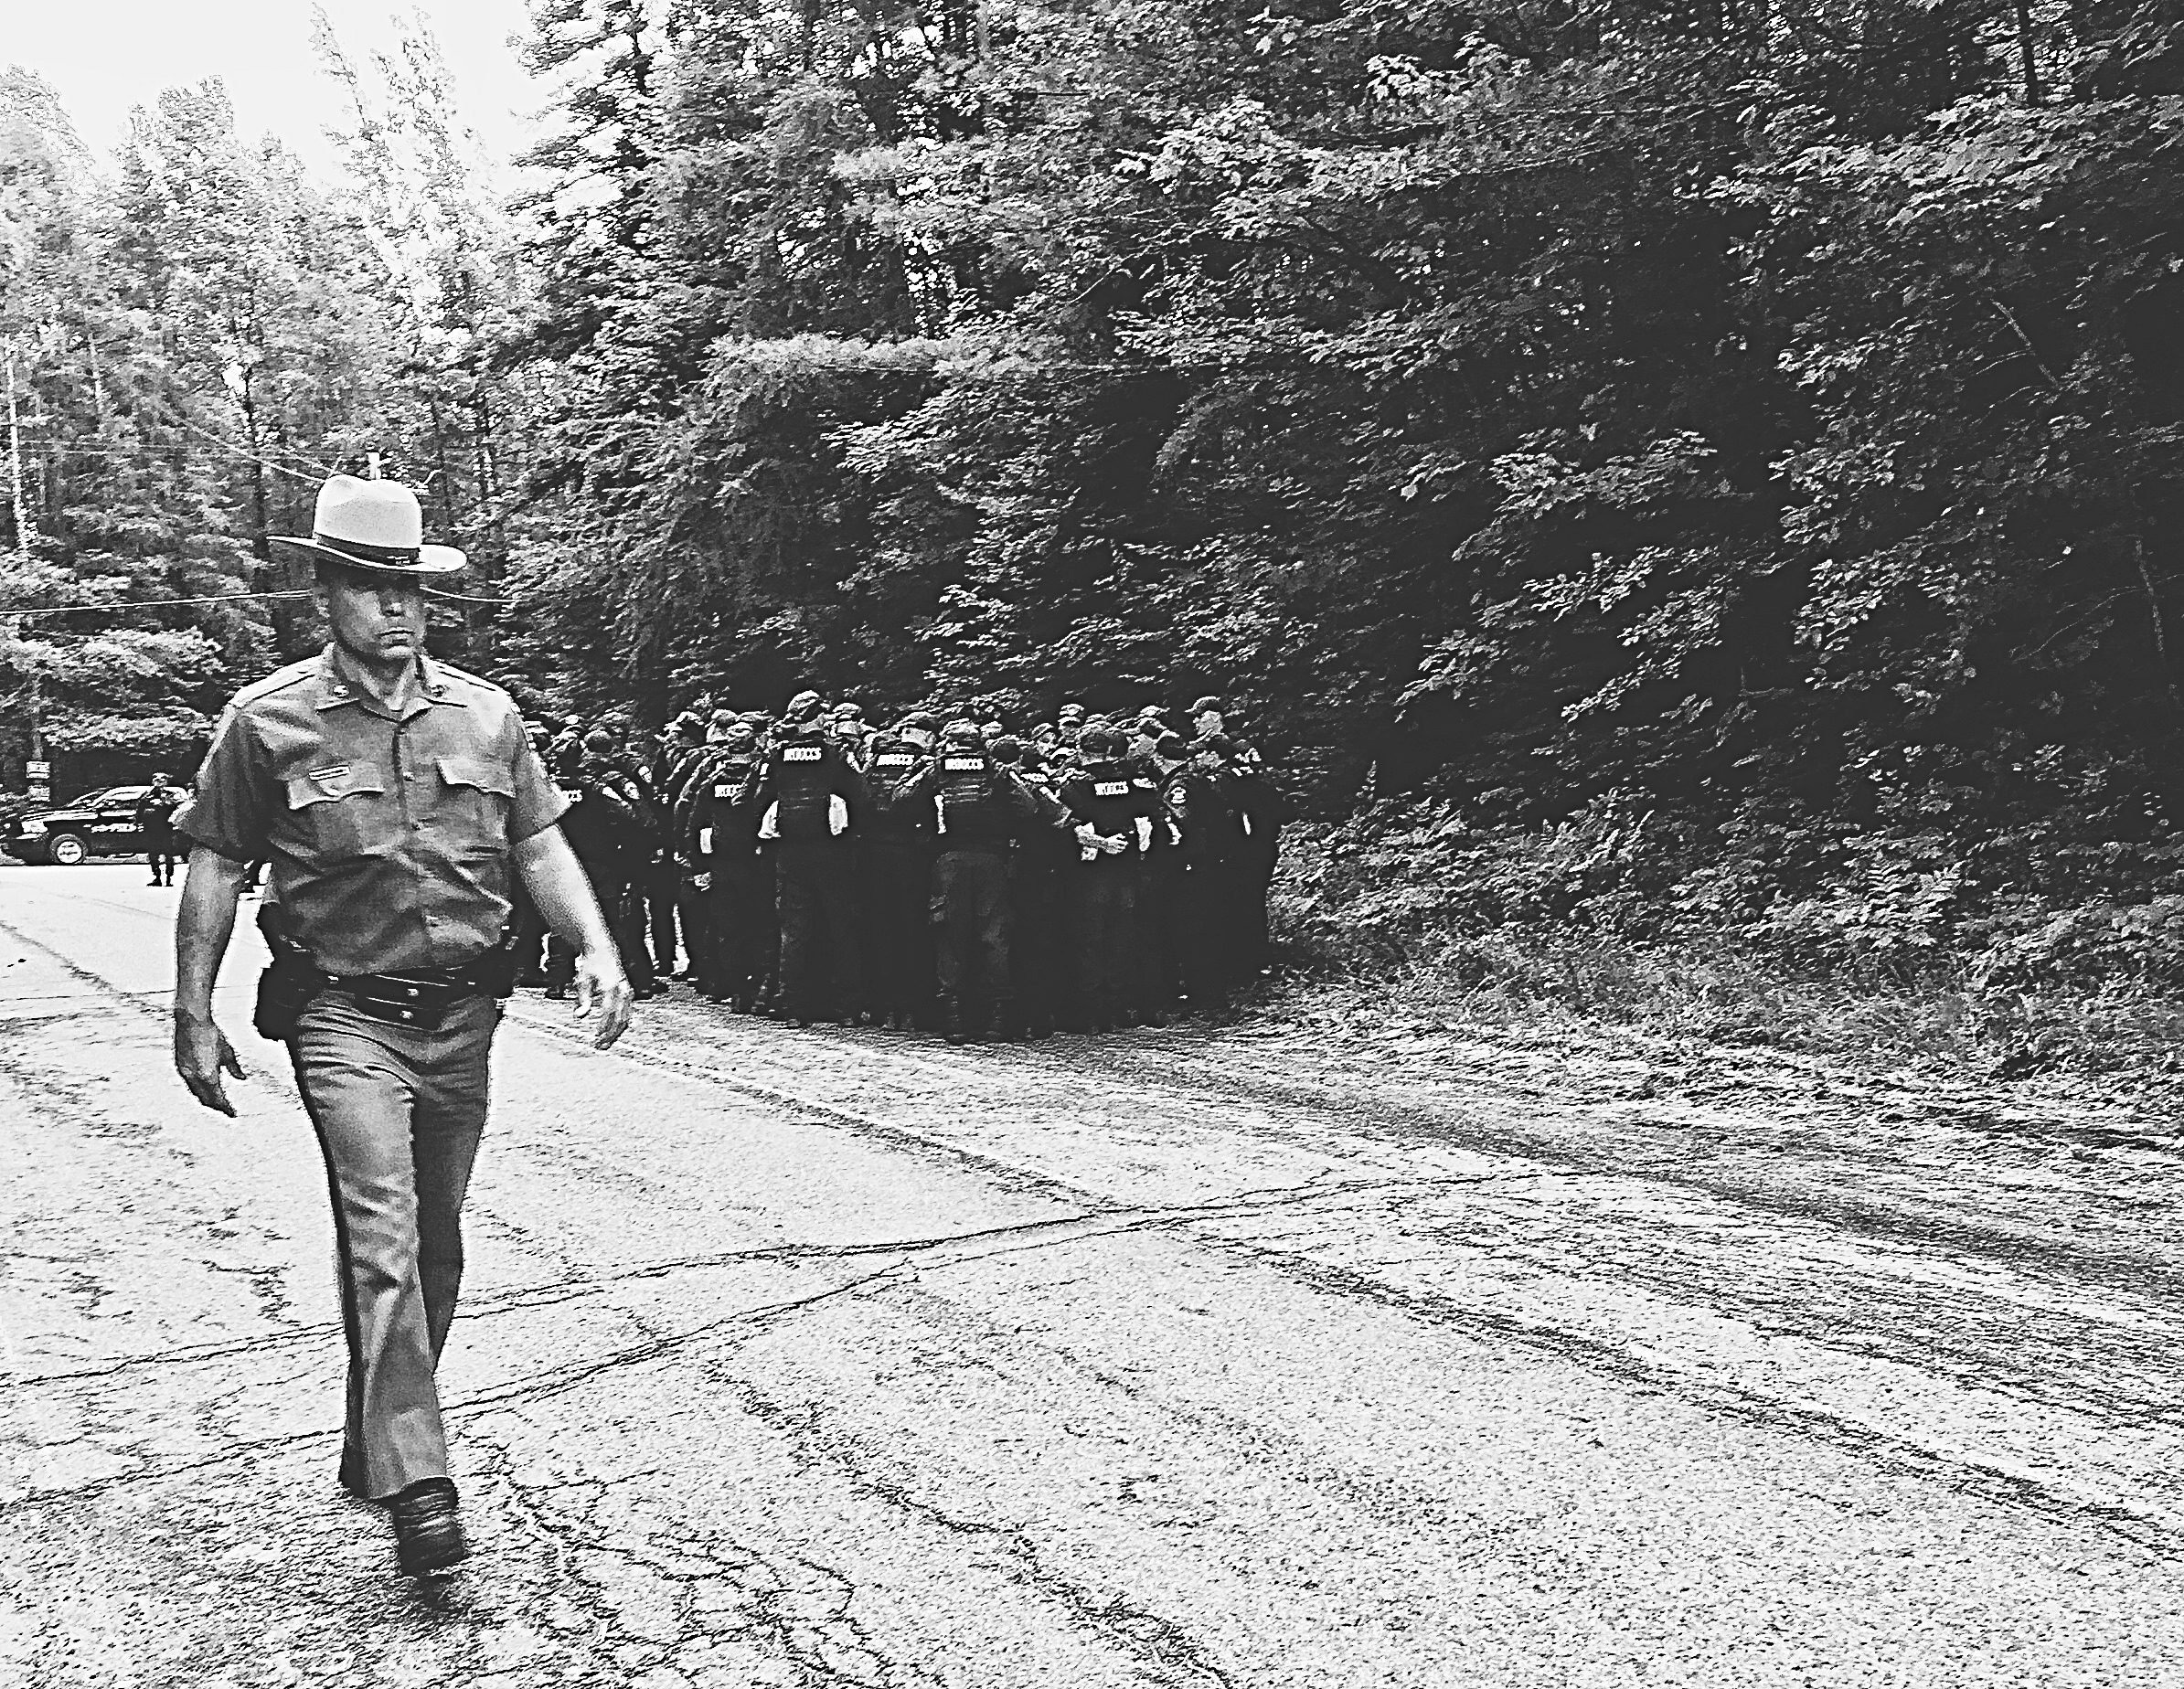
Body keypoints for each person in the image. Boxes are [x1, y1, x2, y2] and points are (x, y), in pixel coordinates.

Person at [169, 473, 634, 1580]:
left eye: (414, 590)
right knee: (379, 1233)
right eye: (374, 589)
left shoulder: (486, 713)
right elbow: (218, 865)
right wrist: (190, 1009)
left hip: (465, 1013)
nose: (399, 610)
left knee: (434, 1244)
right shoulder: (266, 721)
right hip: (340, 1014)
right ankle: (423, 1483)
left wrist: (598, 947)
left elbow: (536, 846)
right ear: (325, 592)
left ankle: (371, 1439)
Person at [743, 689, 865, 1025]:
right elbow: (862, 794)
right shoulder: (837, 752)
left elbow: (756, 799)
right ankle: (846, 1007)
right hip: (832, 851)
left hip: (789, 851)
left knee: (794, 929)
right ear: (819, 716)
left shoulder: (779, 755)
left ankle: (793, 1004)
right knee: (841, 926)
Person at [138, 770, 190, 887]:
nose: (159, 782)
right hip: (151, 829)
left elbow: (179, 809)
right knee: (153, 854)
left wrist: (167, 804)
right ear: (153, 781)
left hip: (166, 828)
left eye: (162, 780)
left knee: (168, 853)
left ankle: (168, 877)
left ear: (166, 782)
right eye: (156, 780)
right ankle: (157, 876)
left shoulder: (171, 795)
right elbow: (140, 810)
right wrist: (139, 823)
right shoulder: (147, 795)